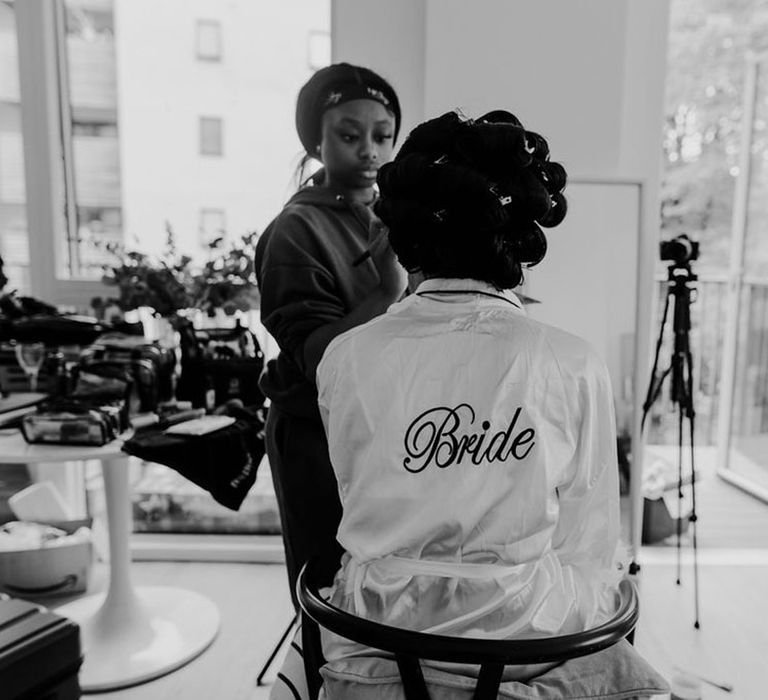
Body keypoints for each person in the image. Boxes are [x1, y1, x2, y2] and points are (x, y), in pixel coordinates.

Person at [314, 110, 667, 697]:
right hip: (524, 635)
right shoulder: (571, 361)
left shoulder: (344, 356)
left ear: (404, 237)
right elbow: (589, 538)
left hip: (374, 630)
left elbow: (360, 490)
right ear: (518, 242)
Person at [255, 62, 406, 610]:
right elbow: (320, 360)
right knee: (329, 589)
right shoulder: (295, 231)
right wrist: (389, 288)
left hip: (381, 428)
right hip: (315, 437)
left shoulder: (391, 216)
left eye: (382, 136)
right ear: (316, 141)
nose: (369, 150)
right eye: (349, 135)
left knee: (382, 591)